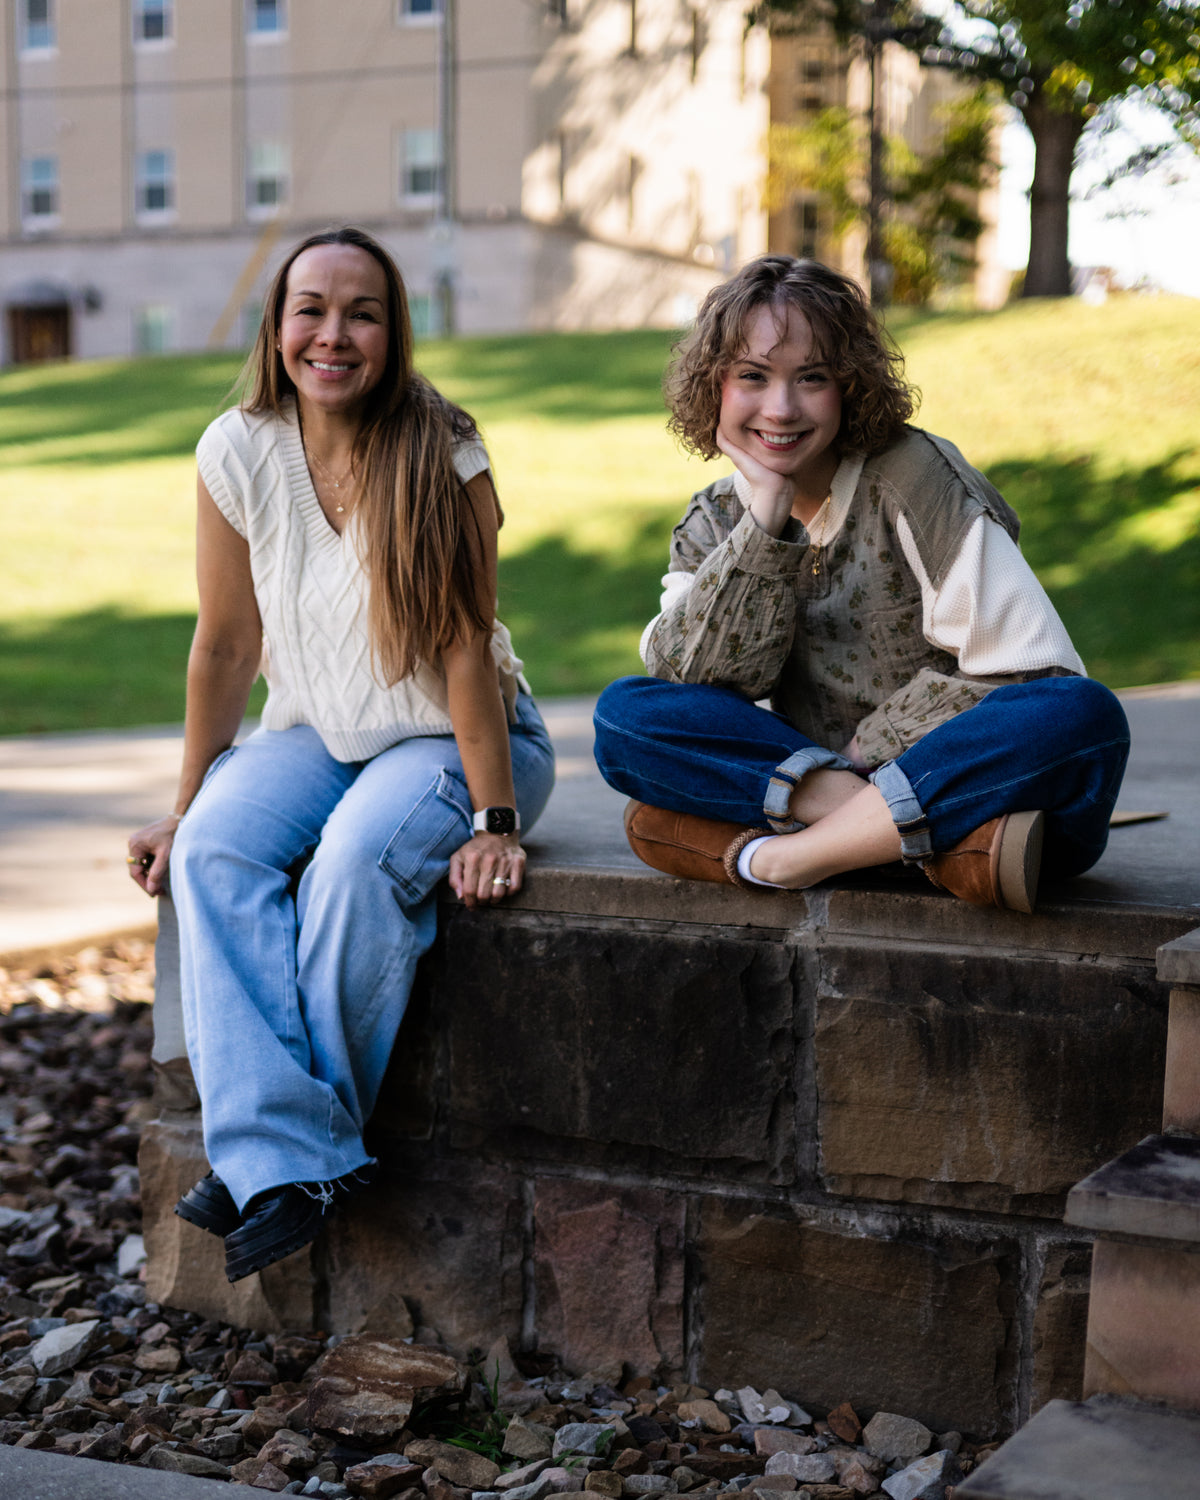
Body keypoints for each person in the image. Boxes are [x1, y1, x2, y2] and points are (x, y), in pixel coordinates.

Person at [127, 227, 555, 1282]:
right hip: (316, 730)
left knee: (360, 861)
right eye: (309, 308)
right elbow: (227, 645)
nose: (333, 333)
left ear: (393, 331)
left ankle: (278, 1159)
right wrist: (186, 806)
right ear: (276, 330)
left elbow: (462, 646)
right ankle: (291, 1155)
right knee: (213, 853)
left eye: (360, 311)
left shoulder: (442, 448)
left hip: (454, 741)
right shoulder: (234, 450)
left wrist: (496, 818)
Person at [593, 256, 1129, 910]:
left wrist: (871, 750)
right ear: (715, 388)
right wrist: (764, 516)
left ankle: (785, 860)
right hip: (825, 788)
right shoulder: (714, 517)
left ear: (850, 386)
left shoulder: (916, 476)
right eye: (753, 377)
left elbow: (1028, 672)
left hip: (960, 778)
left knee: (1081, 716)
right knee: (626, 716)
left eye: (812, 377)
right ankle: (946, 856)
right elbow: (693, 691)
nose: (781, 408)